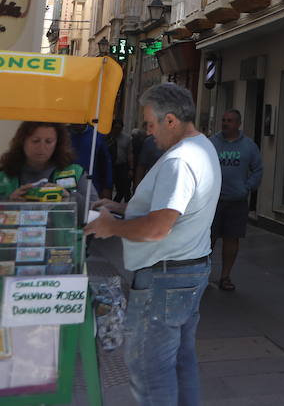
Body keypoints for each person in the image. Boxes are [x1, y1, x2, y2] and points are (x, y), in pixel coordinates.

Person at [85, 84, 221, 405]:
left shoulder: (180, 161)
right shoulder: (202, 147)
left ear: (170, 120)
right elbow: (177, 211)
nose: (148, 133)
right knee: (180, 365)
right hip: (188, 272)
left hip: (164, 279)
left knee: (151, 373)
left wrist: (112, 226)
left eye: (150, 124)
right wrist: (123, 208)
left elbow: (159, 227)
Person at [209, 109, 262, 292]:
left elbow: (258, 169)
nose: (225, 123)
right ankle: (203, 274)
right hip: (212, 200)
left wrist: (247, 187)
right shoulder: (212, 143)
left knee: (232, 239)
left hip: (236, 200)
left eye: (229, 120)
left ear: (238, 124)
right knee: (208, 239)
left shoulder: (248, 146)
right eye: (223, 120)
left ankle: (225, 276)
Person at [0, 121, 93, 203]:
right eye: (35, 141)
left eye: (49, 142)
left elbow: (96, 209)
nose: (41, 147)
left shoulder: (75, 172)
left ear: (57, 143)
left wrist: (69, 196)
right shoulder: (3, 175)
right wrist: (8, 202)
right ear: (22, 141)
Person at [70, 122, 114, 198]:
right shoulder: (64, 135)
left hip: (93, 184)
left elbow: (106, 163)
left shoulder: (97, 135)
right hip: (69, 183)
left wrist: (107, 187)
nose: (78, 123)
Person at [110, 118, 133, 202]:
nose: (117, 130)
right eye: (116, 128)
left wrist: (131, 168)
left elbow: (130, 153)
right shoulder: (108, 137)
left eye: (120, 128)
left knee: (123, 189)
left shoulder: (127, 138)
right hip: (110, 166)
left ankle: (118, 203)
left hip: (122, 166)